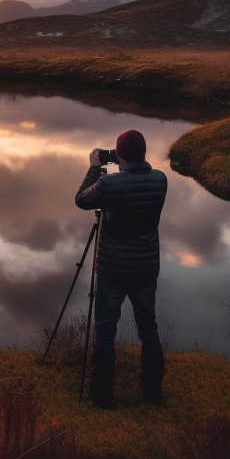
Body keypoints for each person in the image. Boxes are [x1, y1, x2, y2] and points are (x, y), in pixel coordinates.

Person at [75, 129, 167, 407]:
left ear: (121, 156)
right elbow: (134, 179)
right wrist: (123, 160)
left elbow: (81, 199)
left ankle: (102, 394)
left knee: (105, 330)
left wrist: (95, 167)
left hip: (113, 269)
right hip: (145, 268)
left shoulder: (109, 185)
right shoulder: (160, 180)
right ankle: (152, 391)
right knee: (148, 327)